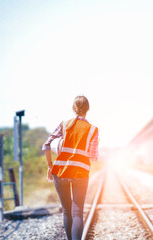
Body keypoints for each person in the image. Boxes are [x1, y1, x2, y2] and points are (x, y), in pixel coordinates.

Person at [42, 95, 99, 240]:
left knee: (67, 211)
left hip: (60, 172)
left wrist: (50, 165)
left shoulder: (64, 125)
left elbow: (47, 144)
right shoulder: (93, 130)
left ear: (74, 108)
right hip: (80, 173)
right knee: (78, 212)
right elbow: (93, 157)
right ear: (88, 109)